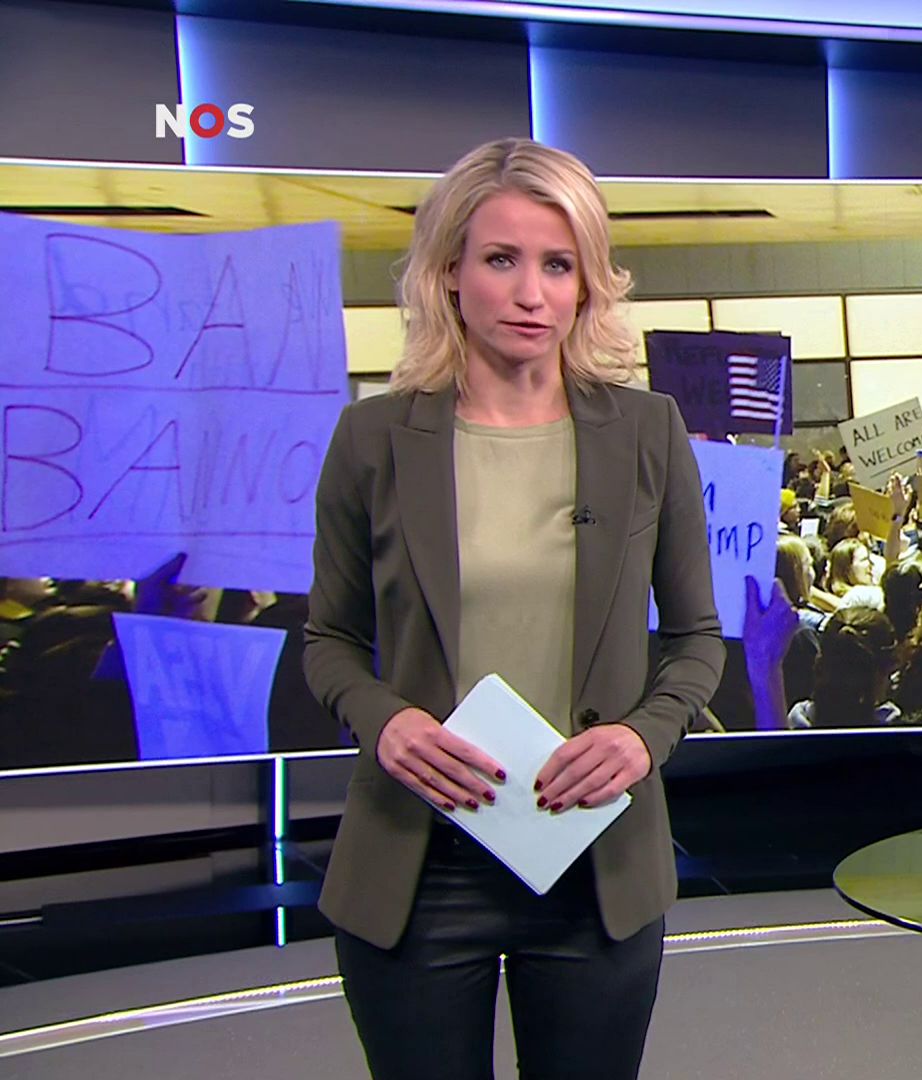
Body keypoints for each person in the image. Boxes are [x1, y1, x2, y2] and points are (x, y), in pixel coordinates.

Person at [304, 137, 723, 1080]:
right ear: (449, 273)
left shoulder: (647, 431)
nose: (531, 293)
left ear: (587, 284)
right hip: (418, 866)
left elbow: (696, 639)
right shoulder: (373, 438)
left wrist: (643, 737)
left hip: (593, 857)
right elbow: (329, 639)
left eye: (558, 265)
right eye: (501, 259)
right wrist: (386, 721)